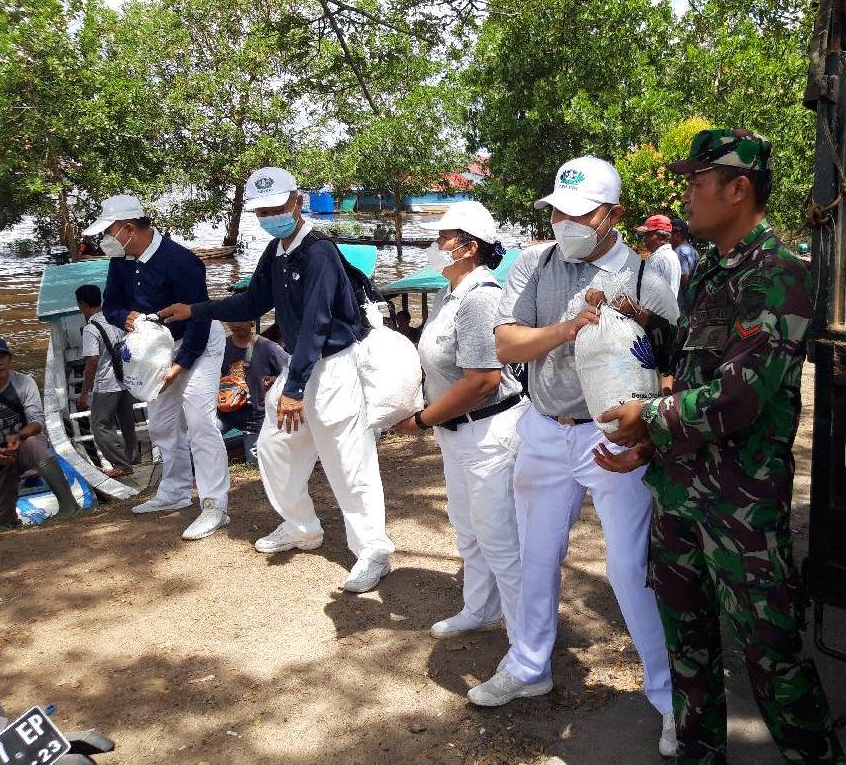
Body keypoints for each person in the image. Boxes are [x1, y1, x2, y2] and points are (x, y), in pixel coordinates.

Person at [596, 129, 844, 764]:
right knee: (689, 649)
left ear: (739, 190)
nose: (687, 194)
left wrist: (647, 418)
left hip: (742, 508)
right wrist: (649, 445)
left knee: (771, 655)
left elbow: (740, 397)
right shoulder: (709, 270)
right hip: (681, 497)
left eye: (698, 181)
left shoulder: (780, 273)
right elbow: (691, 376)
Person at [473, 155, 680, 757]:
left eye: (576, 214)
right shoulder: (538, 264)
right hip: (543, 425)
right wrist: (566, 329)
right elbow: (507, 340)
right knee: (536, 552)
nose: (564, 224)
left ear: (610, 215)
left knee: (627, 565)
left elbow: (674, 366)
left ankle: (670, 699)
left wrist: (646, 436)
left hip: (613, 434)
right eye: (557, 212)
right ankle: (528, 666)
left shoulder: (646, 278)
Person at [159, 167, 396, 593]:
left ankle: (373, 549)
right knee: (273, 447)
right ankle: (302, 527)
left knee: (348, 461)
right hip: (302, 368)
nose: (269, 216)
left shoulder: (319, 252)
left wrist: (295, 387)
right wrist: (195, 310)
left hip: (331, 367)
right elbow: (253, 299)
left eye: (275, 208)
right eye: (261, 211)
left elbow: (317, 323)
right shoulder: (278, 250)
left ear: (297, 202)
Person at [389, 201, 528, 642]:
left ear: (468, 248)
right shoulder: (451, 295)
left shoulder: (481, 299)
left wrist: (423, 420)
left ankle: (526, 642)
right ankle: (480, 607)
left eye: (443, 238)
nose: (435, 245)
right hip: (458, 431)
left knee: (499, 538)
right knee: (467, 527)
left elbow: (484, 380)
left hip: (489, 432)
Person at [91, 195, 230, 541]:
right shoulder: (121, 260)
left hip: (199, 342)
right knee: (162, 425)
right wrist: (127, 317)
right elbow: (111, 307)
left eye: (107, 232)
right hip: (154, 351)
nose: (103, 240)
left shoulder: (181, 262)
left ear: (128, 229)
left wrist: (180, 366)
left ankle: (215, 504)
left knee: (199, 420)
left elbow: (200, 318)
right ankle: (175, 491)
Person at [0, 337, 80, 528]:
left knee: (35, 444)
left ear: (10, 360)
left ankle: (69, 505)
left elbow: (37, 421)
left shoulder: (24, 382)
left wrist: (19, 436)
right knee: (3, 521)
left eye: (2, 357)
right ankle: (11, 526)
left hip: (23, 445)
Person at [74, 284, 138, 478]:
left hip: (107, 383)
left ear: (83, 304)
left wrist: (84, 393)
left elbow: (92, 361)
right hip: (126, 379)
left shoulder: (91, 329)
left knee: (100, 424)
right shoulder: (116, 320)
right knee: (127, 421)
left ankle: (121, 463)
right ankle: (133, 457)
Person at [218, 321, 288, 466]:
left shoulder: (269, 348)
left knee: (255, 464)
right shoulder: (221, 348)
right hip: (225, 413)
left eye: (240, 319)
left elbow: (289, 375)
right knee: (201, 436)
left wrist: (274, 380)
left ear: (251, 320)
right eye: (231, 320)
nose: (236, 325)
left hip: (256, 418)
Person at [637, 214, 682, 296]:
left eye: (648, 235)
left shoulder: (657, 258)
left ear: (661, 237)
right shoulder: (672, 255)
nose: (644, 239)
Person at [671, 217, 698, 298]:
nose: (667, 237)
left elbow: (684, 279)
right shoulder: (692, 250)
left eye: (669, 234)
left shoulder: (679, 252)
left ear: (677, 235)